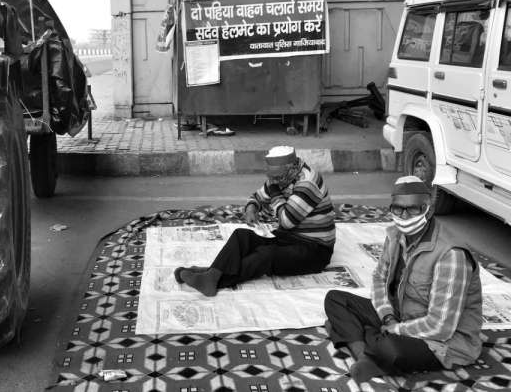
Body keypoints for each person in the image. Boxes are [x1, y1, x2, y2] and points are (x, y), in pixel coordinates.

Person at [323, 176, 482, 384]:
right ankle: (366, 356)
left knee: (391, 348)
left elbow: (441, 327)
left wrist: (395, 330)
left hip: (443, 342)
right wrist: (387, 318)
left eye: (413, 209)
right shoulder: (396, 234)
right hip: (401, 315)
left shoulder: (451, 255)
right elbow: (379, 278)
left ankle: (359, 340)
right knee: (335, 300)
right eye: (397, 209)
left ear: (428, 209)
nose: (404, 216)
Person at [174, 145, 335, 296]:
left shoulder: (308, 183)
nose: (274, 181)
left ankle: (214, 280)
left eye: (277, 178)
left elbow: (286, 221)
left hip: (315, 250)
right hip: (289, 237)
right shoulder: (280, 177)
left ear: (291, 169)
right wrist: (251, 208)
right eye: (271, 177)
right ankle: (213, 272)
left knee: (266, 255)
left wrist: (275, 194)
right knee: (241, 236)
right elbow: (257, 197)